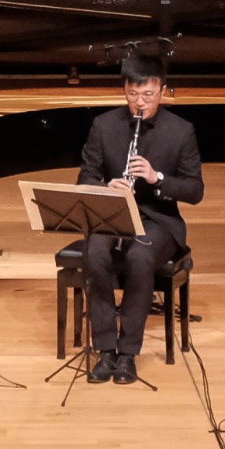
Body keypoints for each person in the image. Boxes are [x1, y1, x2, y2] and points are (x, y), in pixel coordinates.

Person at [76, 54, 204, 384]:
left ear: (162, 90)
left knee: (140, 256)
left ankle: (128, 352)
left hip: (158, 220)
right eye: (133, 94)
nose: (139, 102)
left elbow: (194, 190)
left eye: (148, 95)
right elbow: (85, 178)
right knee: (95, 253)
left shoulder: (181, 131)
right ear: (125, 89)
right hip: (113, 214)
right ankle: (105, 350)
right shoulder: (104, 126)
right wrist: (107, 187)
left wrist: (157, 177)